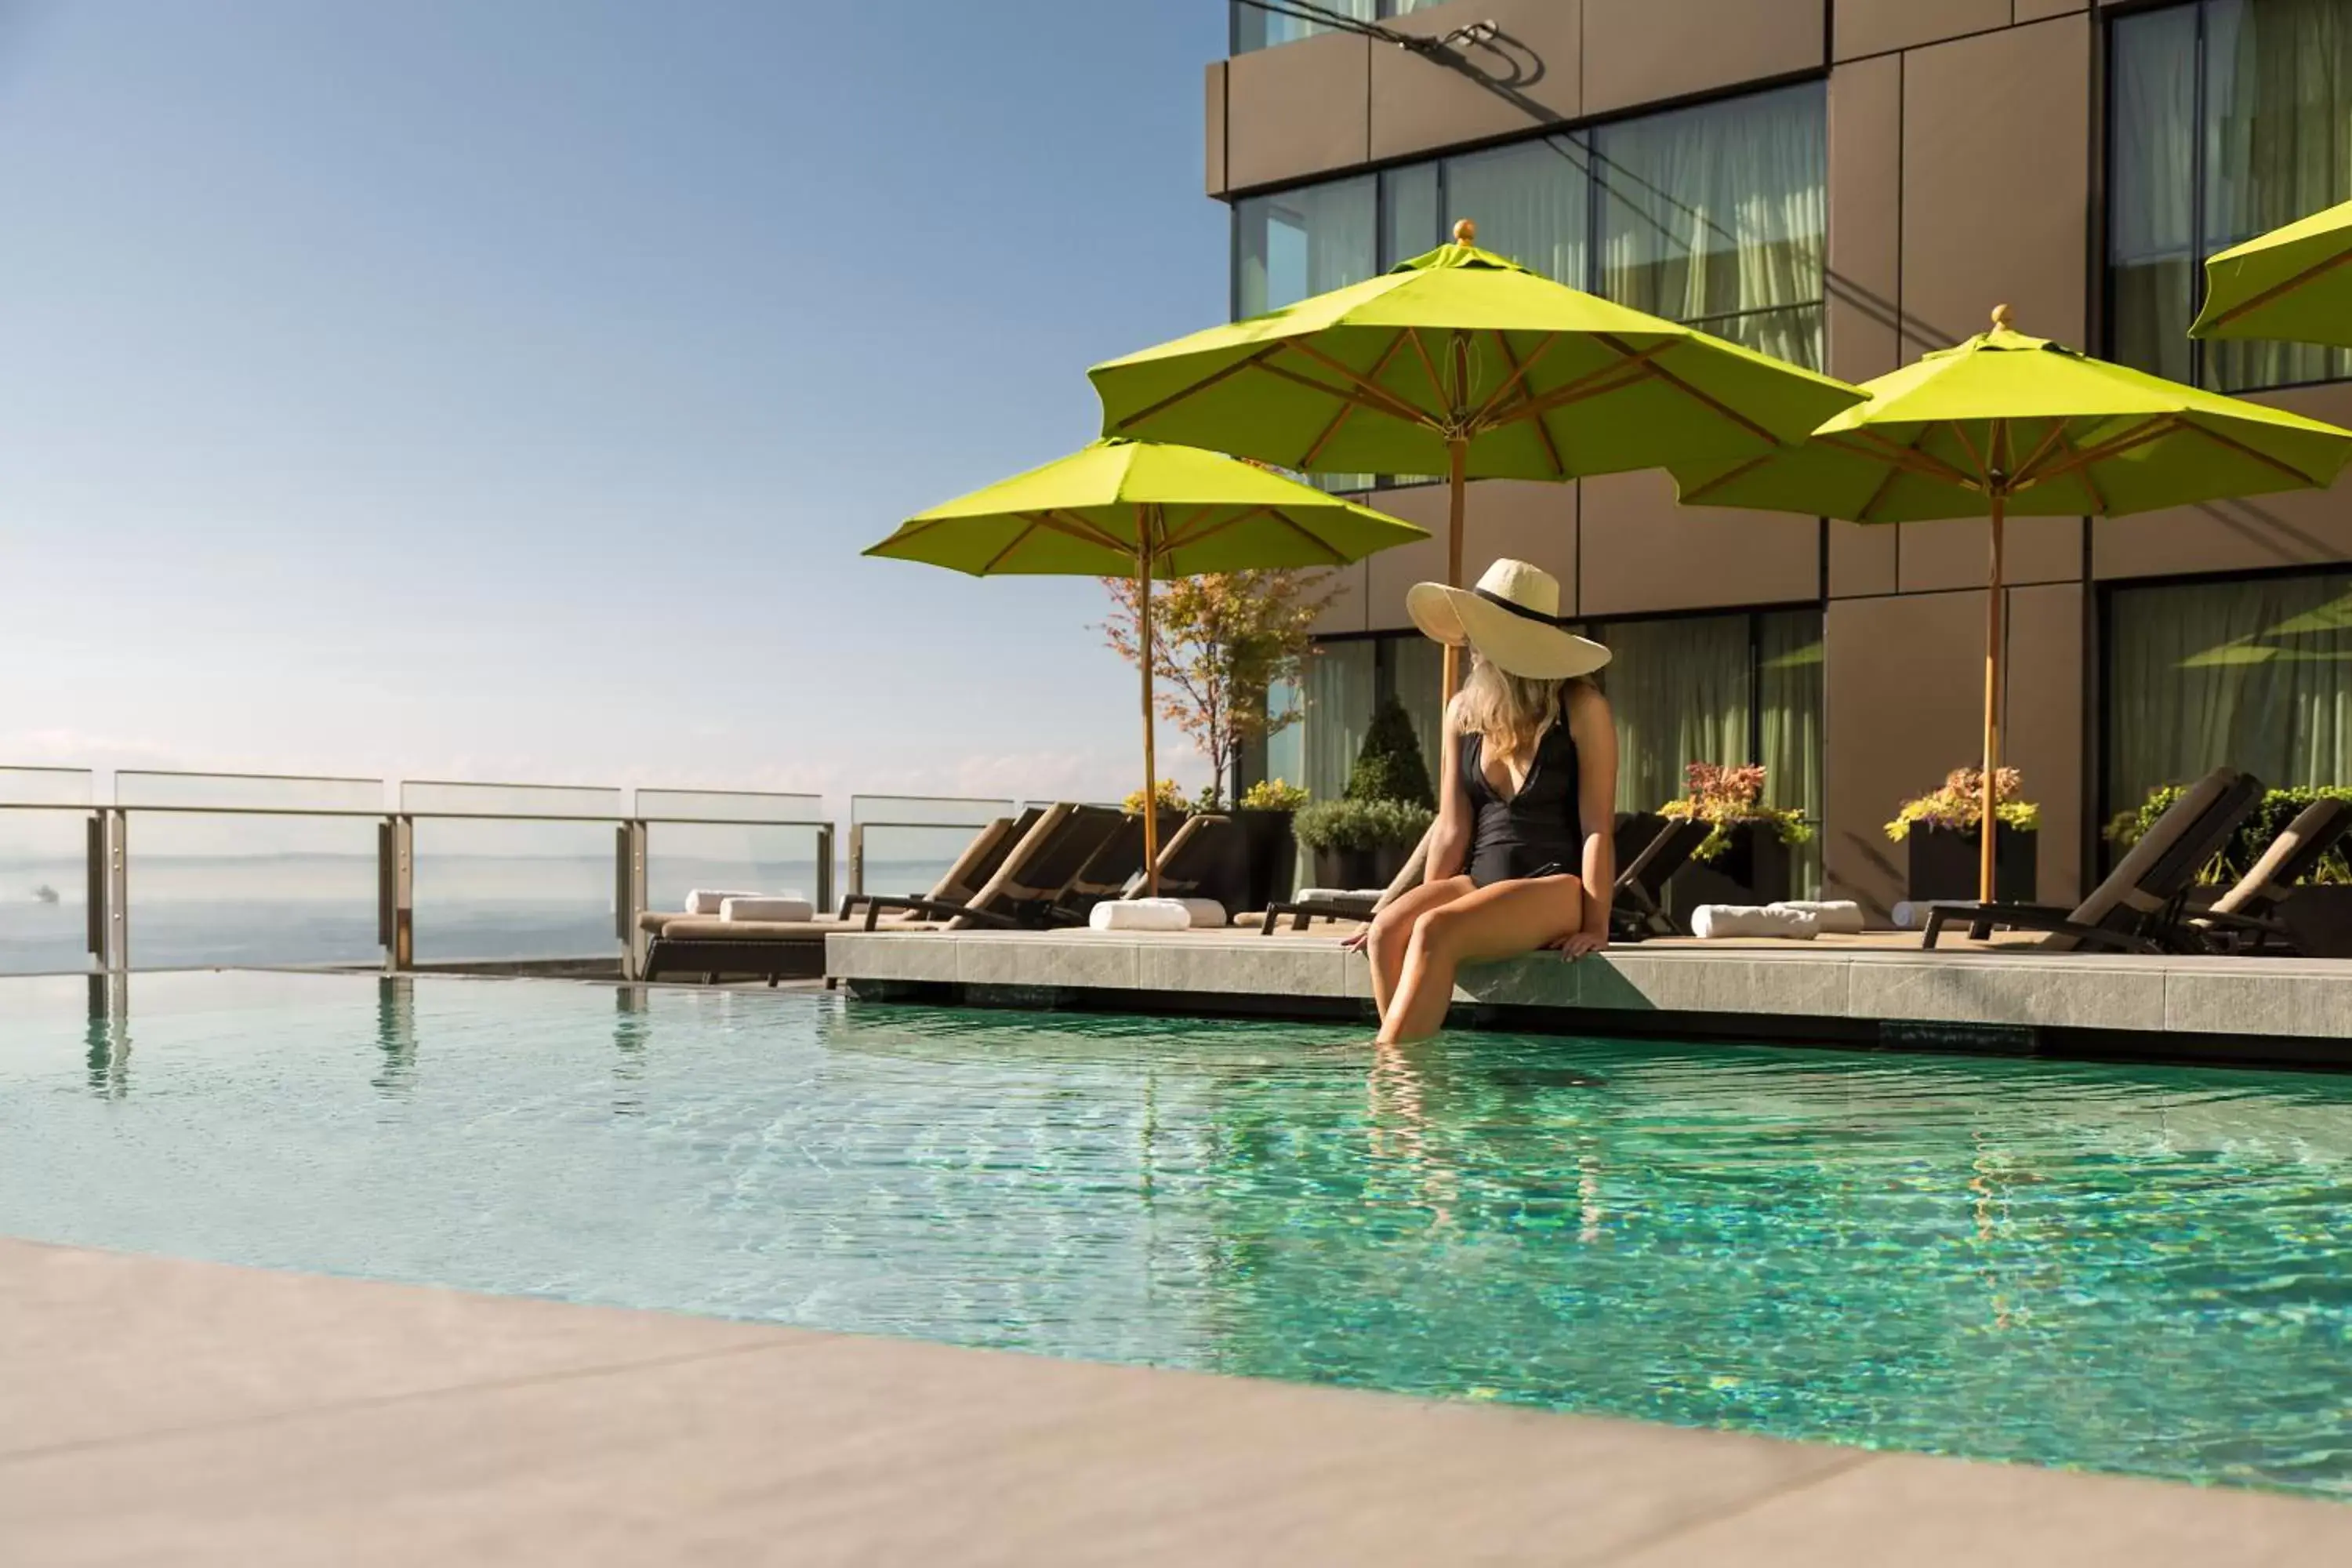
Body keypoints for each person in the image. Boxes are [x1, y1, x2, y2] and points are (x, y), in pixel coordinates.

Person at [1348, 558, 1617, 1044]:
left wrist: (1597, 923)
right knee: (1390, 929)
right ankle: (1417, 1072)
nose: (1471, 645)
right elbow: (1452, 828)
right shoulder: (1462, 712)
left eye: (1480, 632)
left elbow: (1597, 824)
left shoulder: (1582, 708)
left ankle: (1391, 1079)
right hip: (1477, 881)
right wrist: (1419, 906)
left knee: (1435, 931)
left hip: (1554, 886)